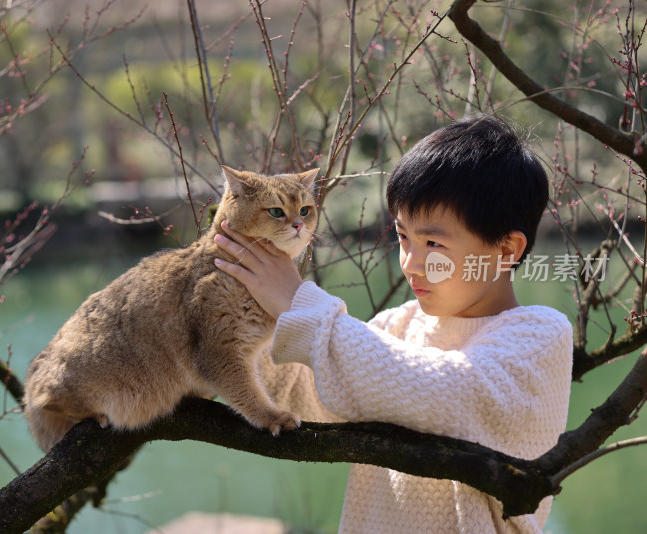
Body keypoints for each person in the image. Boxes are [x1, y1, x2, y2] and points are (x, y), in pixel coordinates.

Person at [213, 114, 573, 533]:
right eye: (403, 238)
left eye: (433, 243)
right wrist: (235, 319)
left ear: (506, 248)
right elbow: (307, 400)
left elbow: (443, 391)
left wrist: (297, 301)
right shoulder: (397, 328)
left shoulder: (541, 336)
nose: (411, 264)